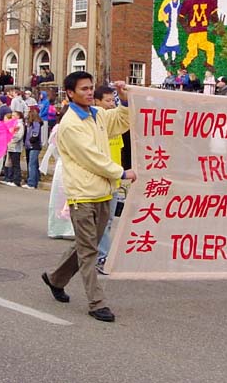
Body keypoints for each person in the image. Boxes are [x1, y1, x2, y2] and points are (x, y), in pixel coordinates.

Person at [41, 71, 135, 323]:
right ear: (70, 93)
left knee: (87, 244)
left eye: (91, 87)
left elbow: (120, 122)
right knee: (89, 251)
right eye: (83, 88)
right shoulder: (70, 124)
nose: (89, 92)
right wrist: (121, 172)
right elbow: (91, 157)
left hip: (104, 191)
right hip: (82, 195)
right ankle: (97, 302)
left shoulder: (97, 114)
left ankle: (55, 279)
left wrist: (125, 100)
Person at [93, 85, 125, 276]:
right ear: (96, 102)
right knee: (100, 222)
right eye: (107, 101)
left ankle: (99, 255)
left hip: (115, 181)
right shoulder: (92, 124)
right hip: (100, 180)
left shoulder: (115, 125)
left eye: (113, 100)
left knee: (108, 221)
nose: (111, 104)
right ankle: (100, 257)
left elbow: (120, 152)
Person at [39, 115, 75, 239]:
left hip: (64, 165)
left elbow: (52, 150)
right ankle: (62, 228)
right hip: (67, 165)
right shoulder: (61, 129)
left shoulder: (61, 129)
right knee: (62, 197)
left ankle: (62, 228)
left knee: (65, 198)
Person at [1, 111, 24, 187]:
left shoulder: (19, 125)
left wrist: (11, 138)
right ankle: (11, 179)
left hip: (15, 147)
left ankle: (16, 180)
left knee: (16, 164)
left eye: (14, 115)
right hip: (11, 146)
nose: (12, 117)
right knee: (11, 164)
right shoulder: (14, 124)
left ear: (18, 116)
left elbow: (18, 136)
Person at [23, 108, 43, 189]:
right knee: (34, 164)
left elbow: (35, 134)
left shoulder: (36, 123)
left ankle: (31, 183)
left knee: (32, 164)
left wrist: (31, 140)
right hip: (29, 145)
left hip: (34, 145)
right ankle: (36, 179)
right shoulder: (29, 124)